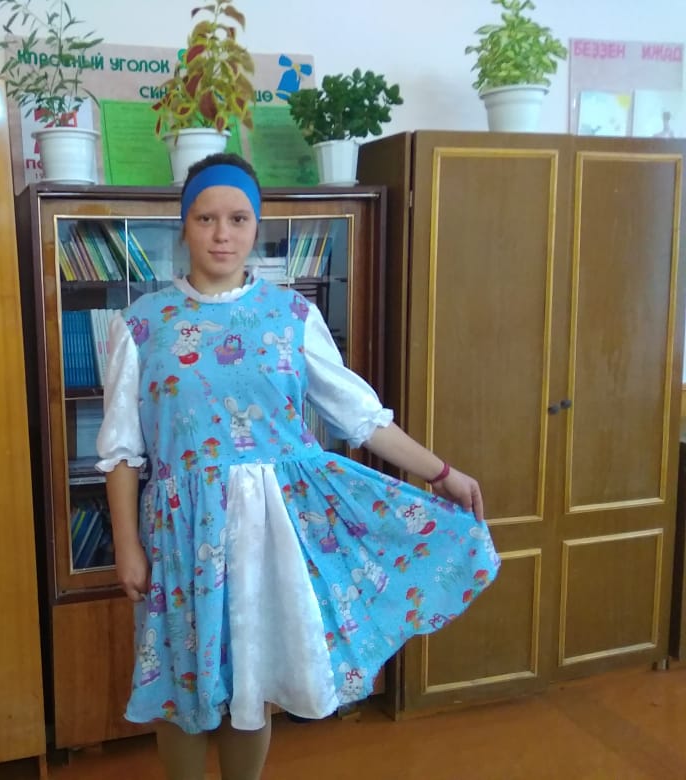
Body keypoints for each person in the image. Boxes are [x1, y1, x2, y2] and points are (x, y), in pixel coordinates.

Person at [95, 153, 500, 780]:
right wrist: (127, 546)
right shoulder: (143, 324)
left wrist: (441, 473)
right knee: (180, 685)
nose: (222, 234)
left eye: (238, 218)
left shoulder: (292, 317)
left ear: (257, 226)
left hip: (273, 533)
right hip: (181, 536)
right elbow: (122, 451)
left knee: (251, 683)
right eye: (206, 218)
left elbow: (360, 416)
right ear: (184, 225)